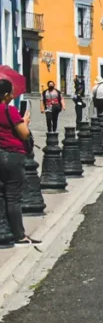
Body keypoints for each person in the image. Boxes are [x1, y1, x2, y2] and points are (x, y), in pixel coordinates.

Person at [0, 78, 40, 247]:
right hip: (13, 155)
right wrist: (26, 123)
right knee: (13, 197)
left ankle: (5, 230)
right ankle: (19, 235)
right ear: (7, 95)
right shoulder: (10, 110)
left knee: (2, 194)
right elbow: (24, 134)